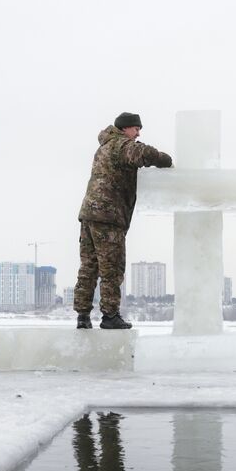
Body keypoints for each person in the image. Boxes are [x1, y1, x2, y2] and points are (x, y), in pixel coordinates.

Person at [74, 112, 173, 330]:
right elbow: (143, 153)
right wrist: (166, 160)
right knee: (111, 268)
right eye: (136, 129)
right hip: (108, 216)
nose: (138, 133)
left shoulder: (104, 146)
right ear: (125, 129)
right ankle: (110, 316)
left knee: (88, 267)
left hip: (89, 214)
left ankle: (82, 316)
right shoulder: (121, 145)